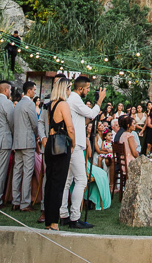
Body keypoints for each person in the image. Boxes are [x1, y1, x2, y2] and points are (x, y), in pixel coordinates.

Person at [59, 75, 105, 229]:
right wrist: (100, 101)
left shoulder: (70, 99)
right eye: (87, 88)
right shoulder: (75, 99)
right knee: (81, 180)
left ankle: (63, 214)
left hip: (72, 144)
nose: (88, 91)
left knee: (67, 181)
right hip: (76, 144)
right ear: (80, 88)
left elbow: (83, 120)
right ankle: (74, 217)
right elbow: (91, 114)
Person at [44, 78, 75, 231]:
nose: (70, 91)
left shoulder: (51, 105)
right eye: (70, 88)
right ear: (65, 88)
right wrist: (73, 143)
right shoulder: (63, 104)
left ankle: (49, 220)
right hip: (61, 145)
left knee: (50, 182)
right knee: (58, 184)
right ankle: (54, 221)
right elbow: (70, 127)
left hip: (50, 142)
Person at [12, 80, 39, 212]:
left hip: (17, 141)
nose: (35, 92)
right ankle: (25, 203)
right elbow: (34, 123)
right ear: (29, 91)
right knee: (27, 172)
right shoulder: (29, 104)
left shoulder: (17, 105)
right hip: (28, 141)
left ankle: (15, 201)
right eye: (34, 89)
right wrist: (37, 135)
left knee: (17, 171)